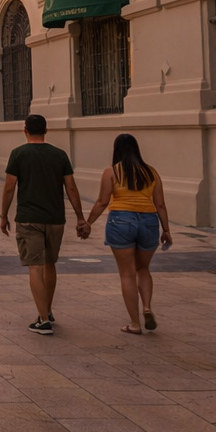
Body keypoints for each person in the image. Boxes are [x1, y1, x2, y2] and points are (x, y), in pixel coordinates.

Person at [0, 114, 85, 335]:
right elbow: (71, 188)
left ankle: (43, 320)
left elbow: (9, 187)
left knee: (35, 267)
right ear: (45, 131)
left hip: (29, 218)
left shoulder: (18, 154)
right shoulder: (59, 155)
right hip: (55, 219)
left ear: (25, 130)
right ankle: (46, 309)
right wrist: (80, 217)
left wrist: (3, 215)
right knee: (50, 264)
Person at [87, 134, 172, 335]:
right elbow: (160, 203)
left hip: (121, 221)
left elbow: (102, 201)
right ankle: (147, 307)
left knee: (127, 273)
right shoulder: (151, 172)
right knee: (143, 268)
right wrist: (166, 229)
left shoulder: (111, 172)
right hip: (149, 221)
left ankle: (135, 323)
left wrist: (88, 223)